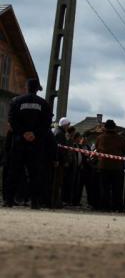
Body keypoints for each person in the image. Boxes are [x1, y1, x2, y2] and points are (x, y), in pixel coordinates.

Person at [7, 78, 53, 209]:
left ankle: (9, 200)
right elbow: (47, 123)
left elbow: (11, 119)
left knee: (14, 171)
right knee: (35, 173)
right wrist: (35, 134)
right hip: (36, 144)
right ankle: (35, 202)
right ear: (37, 89)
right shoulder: (44, 104)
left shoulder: (16, 101)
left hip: (19, 142)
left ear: (26, 87)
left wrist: (22, 133)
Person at [95, 120, 125, 212]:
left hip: (103, 166)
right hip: (117, 167)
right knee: (117, 189)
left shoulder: (100, 138)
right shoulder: (120, 138)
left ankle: (104, 207)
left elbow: (97, 149)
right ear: (114, 127)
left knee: (104, 188)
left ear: (105, 127)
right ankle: (117, 207)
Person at [50, 117, 70, 208]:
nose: (68, 127)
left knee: (56, 182)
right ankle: (54, 201)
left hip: (58, 160)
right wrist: (58, 159)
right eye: (68, 125)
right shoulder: (60, 134)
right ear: (64, 125)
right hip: (58, 162)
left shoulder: (57, 132)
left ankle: (54, 201)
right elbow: (59, 149)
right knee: (56, 182)